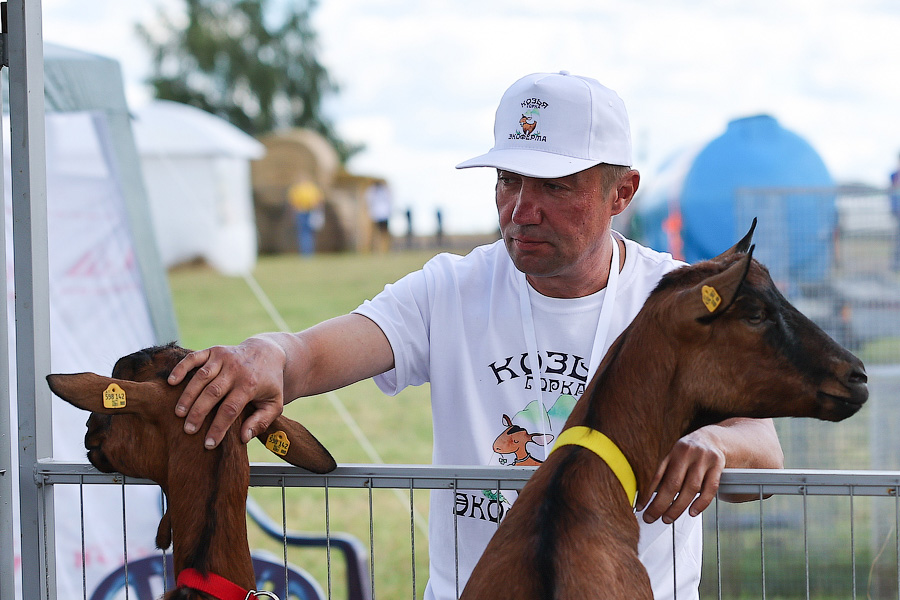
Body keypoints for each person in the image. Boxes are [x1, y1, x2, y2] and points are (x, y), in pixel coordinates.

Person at [168, 71, 784, 600]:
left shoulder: (681, 299)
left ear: (621, 192)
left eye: (555, 186)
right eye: (508, 180)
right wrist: (268, 354)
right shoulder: (449, 290)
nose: (521, 208)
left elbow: (765, 443)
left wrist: (716, 443)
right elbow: (309, 356)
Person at [288, 179, 324, 255]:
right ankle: (307, 252)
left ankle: (306, 253)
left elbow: (293, 204)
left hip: (306, 212)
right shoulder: (311, 188)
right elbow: (318, 201)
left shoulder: (299, 188)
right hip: (305, 212)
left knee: (305, 233)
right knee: (307, 233)